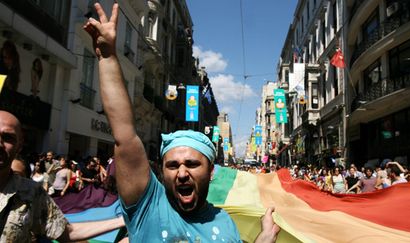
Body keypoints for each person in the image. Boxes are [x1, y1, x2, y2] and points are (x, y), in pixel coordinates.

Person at [83, 3, 280, 243]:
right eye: (173, 165)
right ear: (162, 172)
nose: (182, 173)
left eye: (192, 164)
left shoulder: (225, 222)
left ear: (210, 172)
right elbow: (124, 133)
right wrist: (107, 57)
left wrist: (265, 237)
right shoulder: (148, 207)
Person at [0, 110, 125, 241]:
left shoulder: (32, 193)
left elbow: (68, 232)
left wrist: (122, 221)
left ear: (19, 145)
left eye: (8, 137)